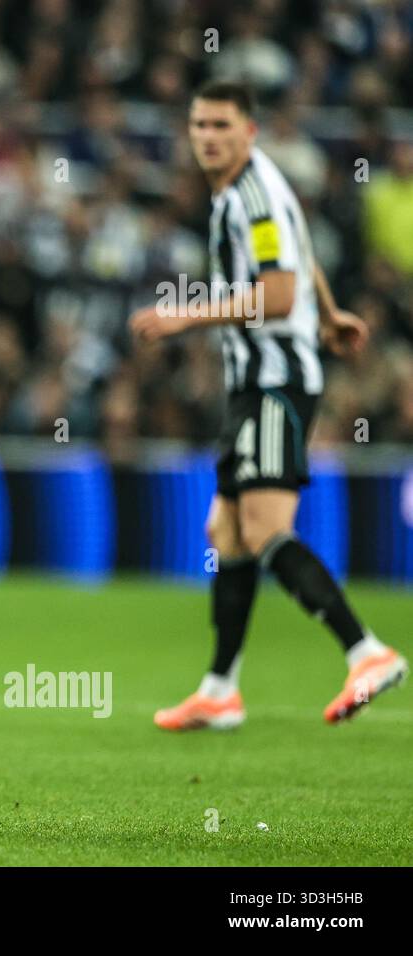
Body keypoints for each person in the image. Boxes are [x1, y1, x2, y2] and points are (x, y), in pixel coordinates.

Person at [129, 81, 407, 730]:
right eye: (199, 125)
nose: (207, 136)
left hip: (276, 382)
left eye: (222, 125)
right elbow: (300, 248)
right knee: (223, 534)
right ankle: (221, 688)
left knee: (261, 530)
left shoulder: (250, 196)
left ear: (248, 131)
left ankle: (366, 650)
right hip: (254, 383)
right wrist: (333, 311)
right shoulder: (254, 185)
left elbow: (277, 295)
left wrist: (184, 318)